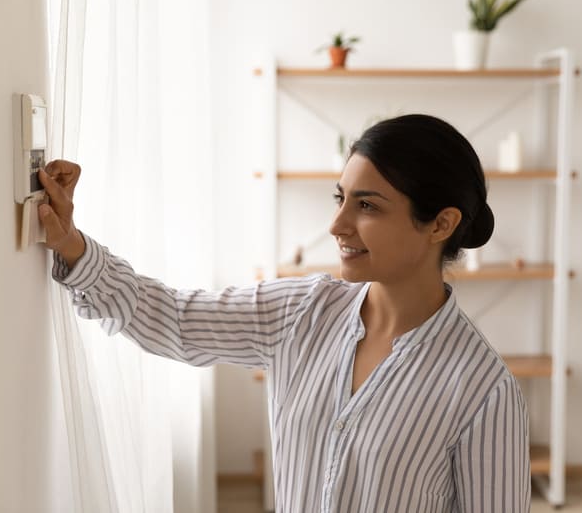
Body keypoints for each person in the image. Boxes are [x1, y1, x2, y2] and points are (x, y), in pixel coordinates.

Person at [38, 113, 531, 512]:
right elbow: (175, 318)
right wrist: (72, 245)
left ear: (440, 224)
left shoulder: (483, 389)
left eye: (368, 205)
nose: (337, 224)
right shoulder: (302, 310)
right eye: (341, 198)